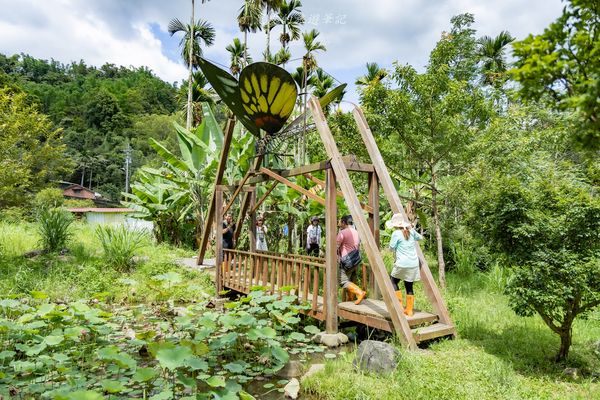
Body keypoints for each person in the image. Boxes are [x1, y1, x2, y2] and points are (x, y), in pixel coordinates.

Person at [386, 213, 423, 316]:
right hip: (413, 264)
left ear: (395, 225)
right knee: (409, 286)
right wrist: (411, 228)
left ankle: (400, 307)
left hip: (402, 263)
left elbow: (391, 248)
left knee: (393, 281)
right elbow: (420, 238)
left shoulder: (396, 234)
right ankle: (409, 310)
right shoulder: (411, 232)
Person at [337, 215, 366, 305]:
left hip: (346, 261)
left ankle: (360, 293)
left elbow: (335, 246)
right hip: (356, 260)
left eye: (341, 222)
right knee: (350, 280)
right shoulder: (356, 232)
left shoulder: (342, 233)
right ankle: (350, 300)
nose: (339, 224)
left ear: (344, 222)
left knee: (342, 281)